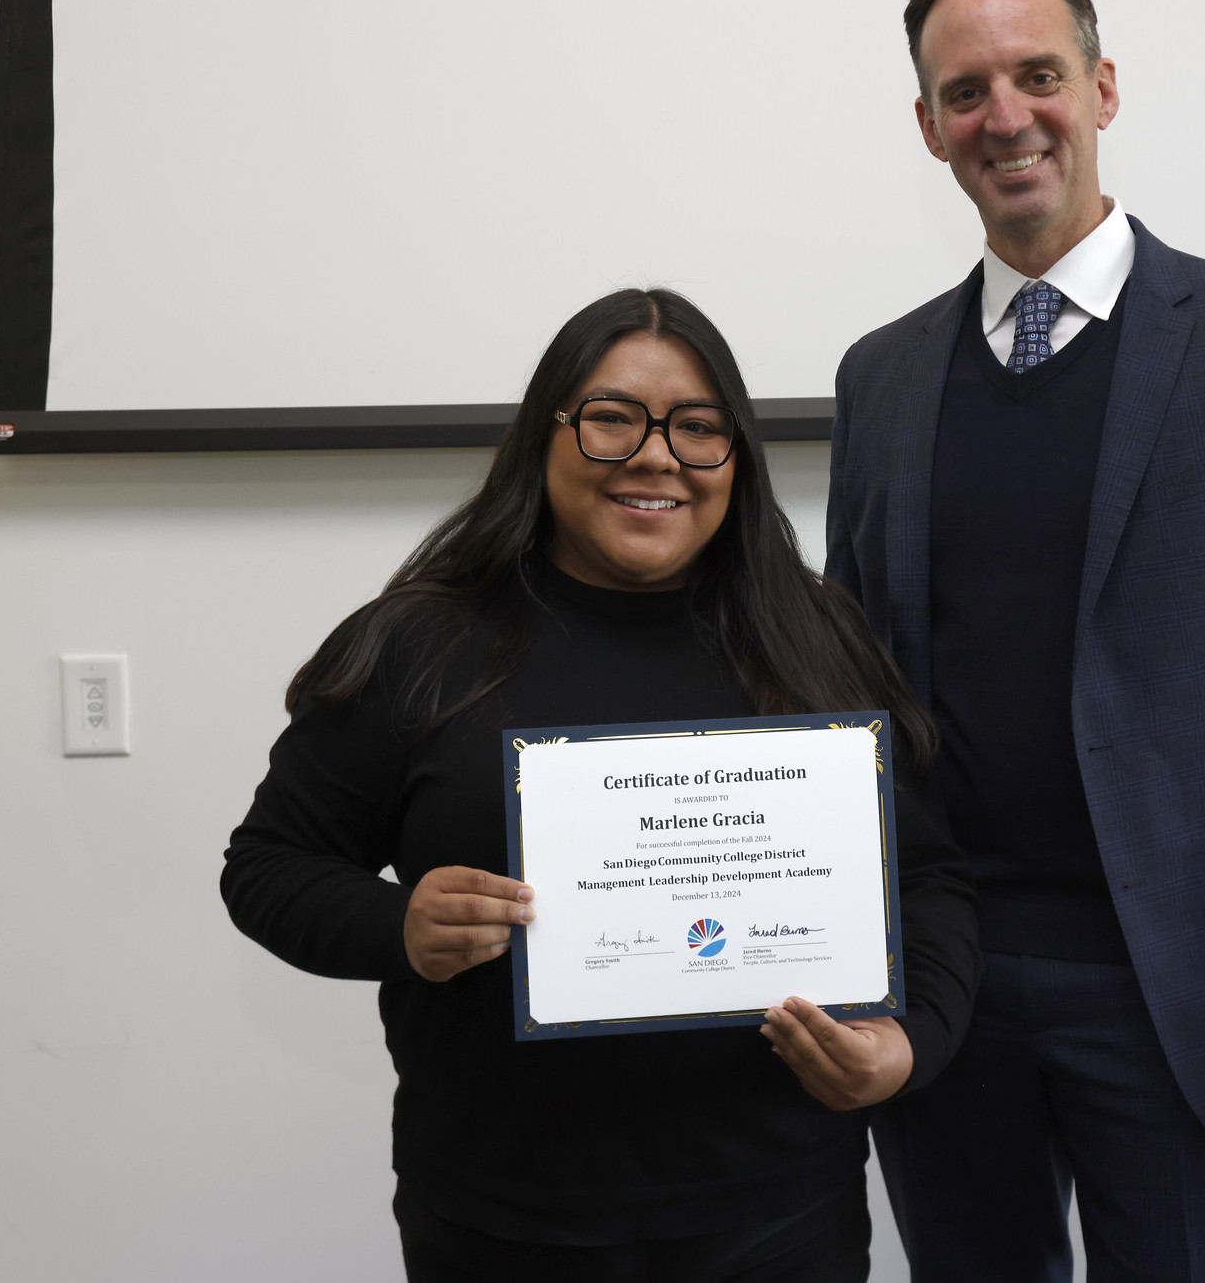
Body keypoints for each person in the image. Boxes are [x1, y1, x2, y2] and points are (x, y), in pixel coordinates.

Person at [824, 0, 1205, 1282]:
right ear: (928, 127)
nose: (1007, 116)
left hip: (1188, 996)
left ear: (1101, 88)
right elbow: (846, 699)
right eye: (966, 90)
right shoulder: (881, 379)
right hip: (949, 985)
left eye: (1038, 76)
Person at [222, 289, 978, 1282]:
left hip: (778, 1216)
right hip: (502, 1223)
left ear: (735, 461)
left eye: (697, 428)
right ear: (546, 437)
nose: (656, 455)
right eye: (614, 417)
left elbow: (926, 882)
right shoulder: (420, 642)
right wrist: (397, 921)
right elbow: (269, 866)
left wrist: (907, 1044)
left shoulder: (811, 638)